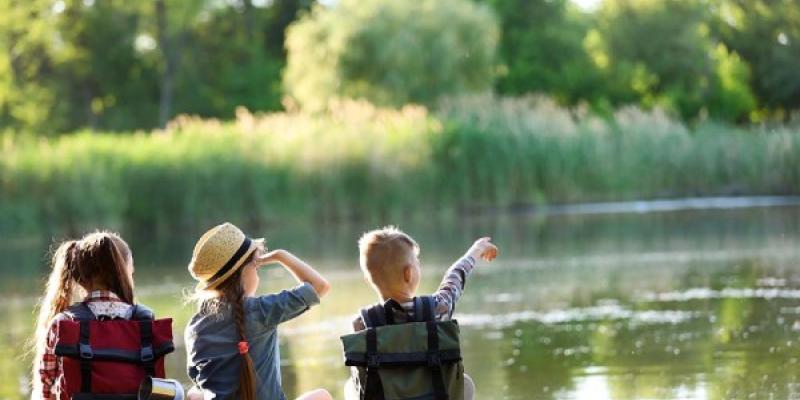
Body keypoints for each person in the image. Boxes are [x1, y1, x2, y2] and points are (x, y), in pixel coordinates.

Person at [344, 225, 498, 399]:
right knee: (465, 382)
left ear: (368, 280)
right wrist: (475, 251)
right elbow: (454, 279)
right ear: (409, 273)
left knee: (350, 386)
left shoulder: (361, 323)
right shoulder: (437, 310)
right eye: (417, 261)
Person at [185, 222, 332, 400]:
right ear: (244, 272)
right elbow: (320, 286)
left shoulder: (194, 327)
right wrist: (280, 256)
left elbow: (198, 379)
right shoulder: (261, 310)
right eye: (257, 267)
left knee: (194, 394)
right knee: (321, 396)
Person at [32, 231, 172, 400]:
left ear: (80, 278)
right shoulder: (145, 322)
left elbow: (45, 391)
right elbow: (156, 390)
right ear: (124, 275)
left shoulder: (63, 323)